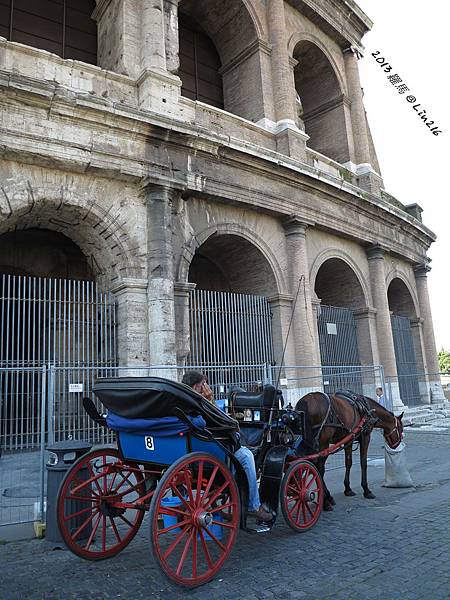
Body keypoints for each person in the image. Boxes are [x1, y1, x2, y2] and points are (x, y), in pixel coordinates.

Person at [181, 370, 273, 523]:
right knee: (246, 455)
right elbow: (225, 421)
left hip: (186, 452)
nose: (207, 387)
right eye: (204, 385)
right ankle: (253, 506)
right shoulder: (199, 403)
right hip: (209, 451)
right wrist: (210, 400)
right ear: (198, 387)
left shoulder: (180, 402)